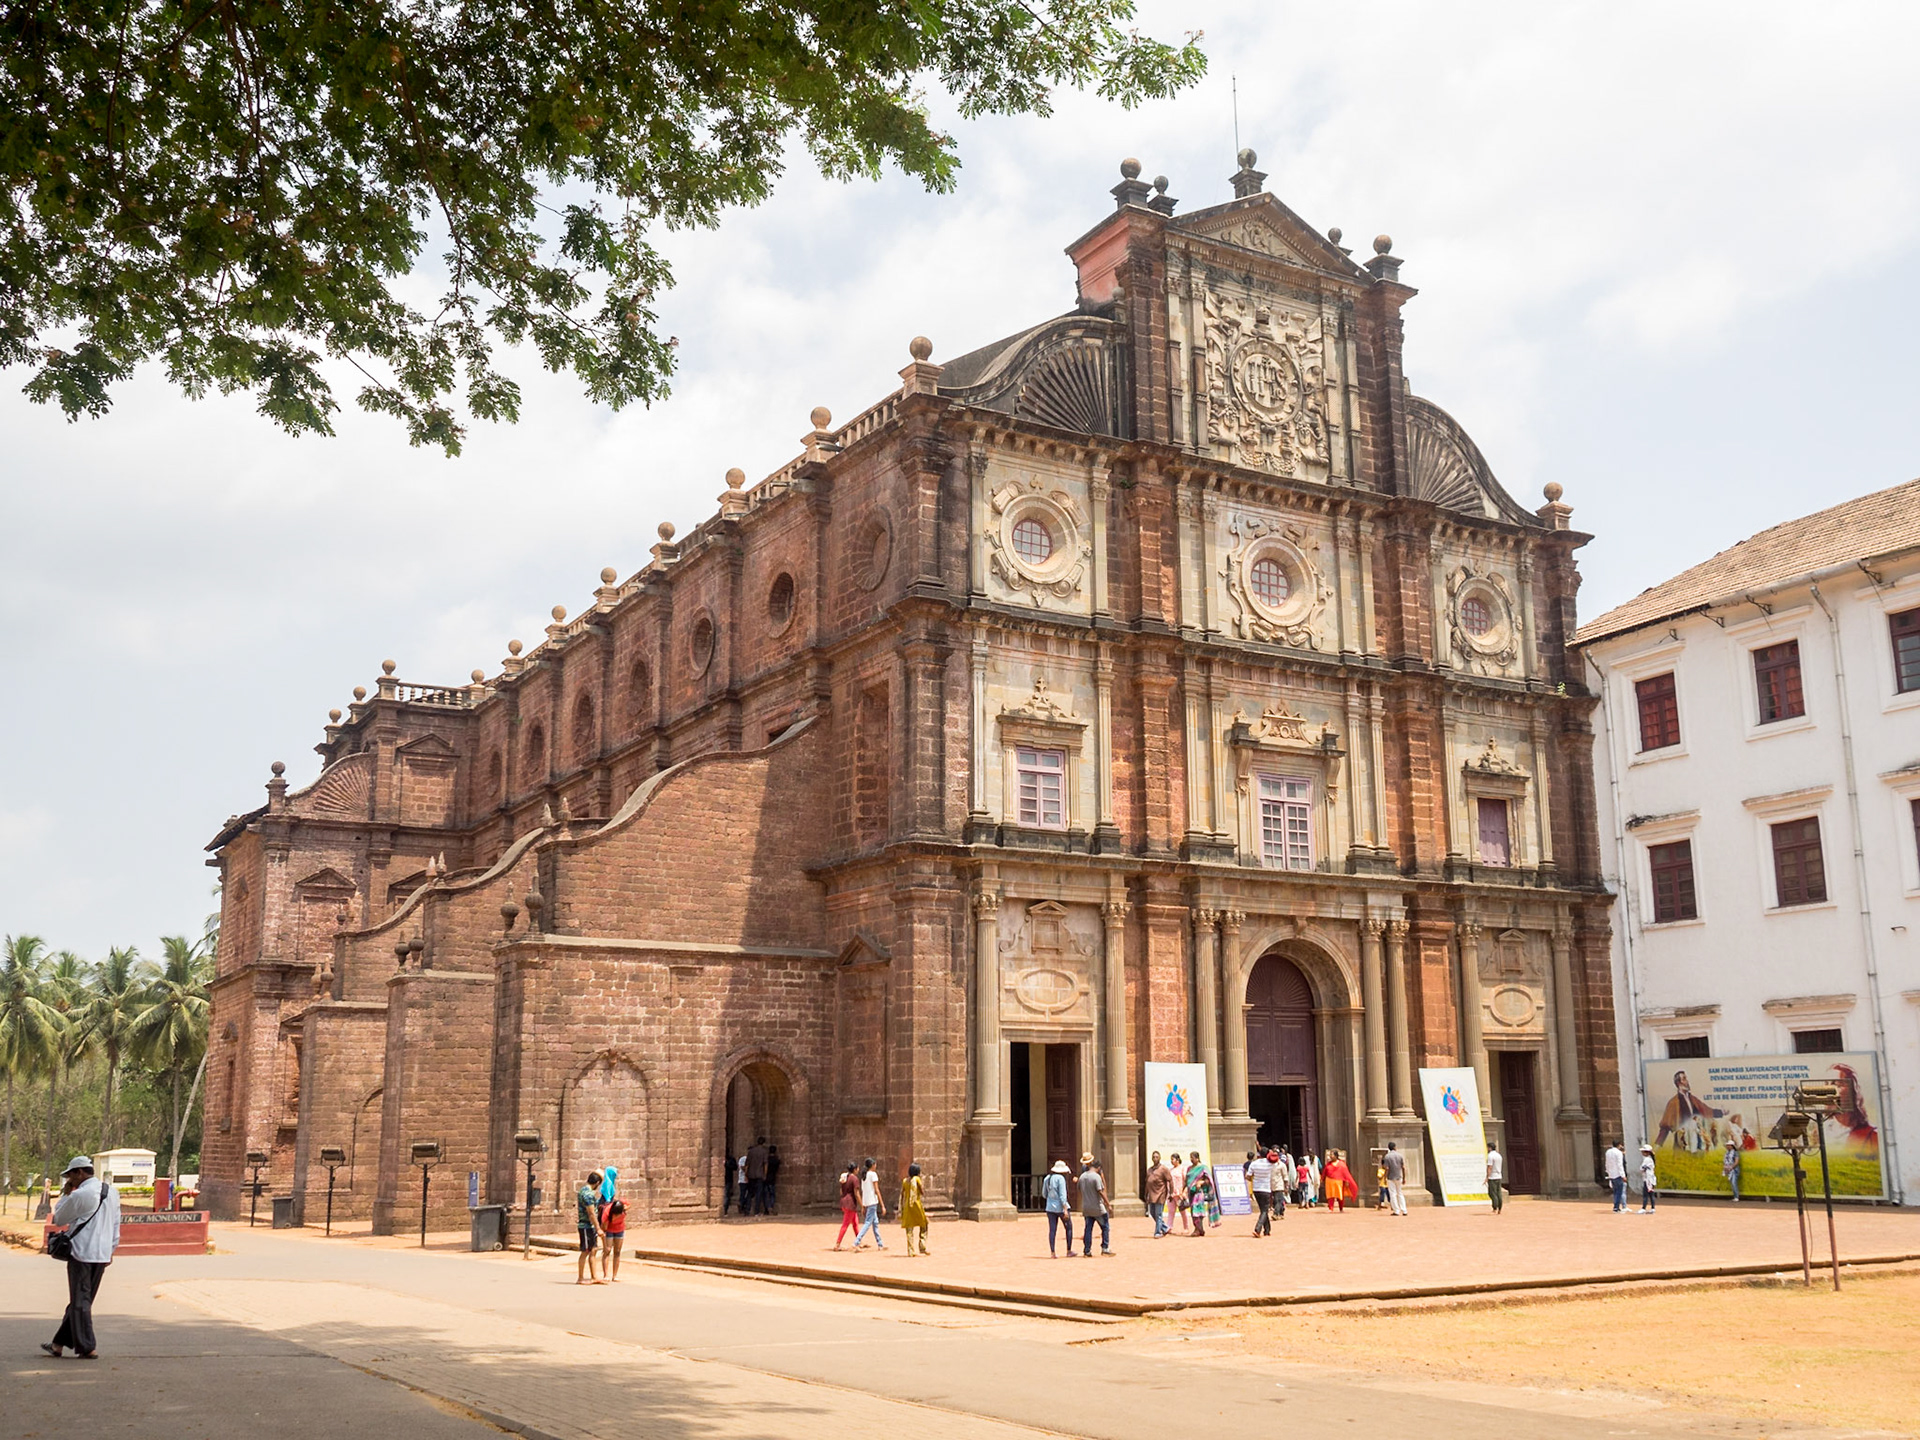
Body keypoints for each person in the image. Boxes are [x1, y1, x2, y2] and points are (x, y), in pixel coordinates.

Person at [40, 1156, 120, 1359]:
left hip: (82, 1252)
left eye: (71, 1175)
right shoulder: (112, 1192)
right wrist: (111, 1249)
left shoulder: (80, 1194)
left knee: (80, 1301)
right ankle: (58, 1344)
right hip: (102, 1253)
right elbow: (115, 1224)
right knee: (83, 1300)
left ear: (80, 1172)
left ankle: (87, 1347)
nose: (70, 1180)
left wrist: (66, 1195)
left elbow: (59, 1219)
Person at [1653, 1071, 1725, 1152]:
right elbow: (1665, 1127)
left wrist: (1721, 1112)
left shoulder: (1692, 1099)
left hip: (1696, 1139)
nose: (1687, 1081)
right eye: (1684, 1079)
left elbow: (1706, 1110)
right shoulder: (1673, 1103)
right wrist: (1657, 1147)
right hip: (1682, 1141)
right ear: (1679, 1083)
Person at [1077, 1154, 1112, 1257]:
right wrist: (1108, 1204)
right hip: (1097, 1207)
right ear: (1099, 1168)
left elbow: (1079, 1189)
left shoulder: (1082, 1177)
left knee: (1088, 1229)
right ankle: (1105, 1248)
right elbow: (1100, 1191)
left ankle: (1087, 1250)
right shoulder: (1096, 1177)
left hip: (1086, 1207)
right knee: (1105, 1227)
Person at [575, 1170, 604, 1284]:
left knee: (593, 1250)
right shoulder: (588, 1194)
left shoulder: (583, 1190)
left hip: (589, 1226)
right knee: (586, 1251)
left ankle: (594, 1276)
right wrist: (598, 1228)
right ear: (597, 1183)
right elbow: (591, 1213)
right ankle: (580, 1277)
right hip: (586, 1226)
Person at [854, 1158, 886, 1249]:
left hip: (867, 1201)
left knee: (875, 1223)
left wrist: (863, 1205)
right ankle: (856, 1241)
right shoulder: (873, 1174)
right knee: (868, 1223)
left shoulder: (864, 1176)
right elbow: (877, 1190)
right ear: (872, 1165)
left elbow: (864, 1190)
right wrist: (882, 1205)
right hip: (872, 1201)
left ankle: (880, 1244)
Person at [1043, 1159, 1073, 1257]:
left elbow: (1044, 1194)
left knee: (1052, 1230)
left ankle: (1052, 1252)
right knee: (1068, 1228)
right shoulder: (1061, 1179)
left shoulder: (1047, 1178)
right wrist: (1065, 1209)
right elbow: (1063, 1195)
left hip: (1050, 1207)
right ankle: (1069, 1250)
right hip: (1060, 1207)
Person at [900, 1162, 930, 1256]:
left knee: (909, 1229)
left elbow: (902, 1194)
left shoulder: (905, 1181)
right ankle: (922, 1245)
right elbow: (922, 1191)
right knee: (924, 1224)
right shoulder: (917, 1179)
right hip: (916, 1205)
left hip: (907, 1207)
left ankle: (911, 1250)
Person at [1185, 1152, 1216, 1237]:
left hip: (1199, 1193)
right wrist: (1184, 1190)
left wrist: (1201, 1182)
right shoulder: (1189, 1168)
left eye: (1192, 1158)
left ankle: (1197, 1230)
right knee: (1193, 1211)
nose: (1191, 1159)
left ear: (1197, 1158)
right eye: (1190, 1158)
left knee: (1197, 1211)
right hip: (1191, 1193)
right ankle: (1200, 1229)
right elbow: (1186, 1180)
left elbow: (1208, 1180)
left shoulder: (1203, 1168)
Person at [599, 1190, 627, 1281]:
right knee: (607, 1251)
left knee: (617, 1251)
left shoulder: (622, 1208)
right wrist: (604, 1243)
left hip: (620, 1229)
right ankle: (606, 1274)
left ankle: (615, 1275)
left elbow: (628, 1204)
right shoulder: (607, 1213)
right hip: (609, 1230)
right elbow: (604, 1228)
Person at [1145, 1151, 1175, 1237]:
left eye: (1156, 1157)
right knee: (1152, 1213)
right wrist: (1146, 1194)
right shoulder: (1150, 1170)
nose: (1155, 1159)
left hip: (1160, 1194)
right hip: (1151, 1195)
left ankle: (1158, 1232)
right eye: (1153, 1157)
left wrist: (1171, 1193)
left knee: (1158, 1214)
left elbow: (1170, 1181)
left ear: (1160, 1158)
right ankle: (1165, 1228)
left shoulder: (1163, 1169)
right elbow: (1147, 1182)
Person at [1246, 1148, 1274, 1237]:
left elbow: (1248, 1176)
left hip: (1256, 1189)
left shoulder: (1254, 1164)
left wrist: (1254, 1179)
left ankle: (1267, 1230)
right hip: (1266, 1189)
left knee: (1263, 1210)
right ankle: (1257, 1229)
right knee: (1265, 1210)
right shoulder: (1270, 1164)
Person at [834, 1160, 860, 1249]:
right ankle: (837, 1244)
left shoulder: (845, 1178)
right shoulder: (854, 1179)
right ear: (855, 1169)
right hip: (850, 1203)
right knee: (845, 1224)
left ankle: (858, 1241)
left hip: (844, 1202)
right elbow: (856, 1193)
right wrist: (862, 1204)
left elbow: (841, 1191)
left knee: (855, 1223)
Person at [746, 1136, 770, 1215]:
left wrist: (746, 1174)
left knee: (750, 1193)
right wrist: (765, 1174)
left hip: (751, 1174)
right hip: (759, 1174)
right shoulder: (764, 1151)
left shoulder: (751, 1151)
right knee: (758, 1193)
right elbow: (765, 1164)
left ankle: (747, 1210)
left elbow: (747, 1164)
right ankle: (756, 1211)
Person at [1383, 1141, 1407, 1217]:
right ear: (1395, 1147)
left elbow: (1387, 1168)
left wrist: (1385, 1177)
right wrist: (1404, 1177)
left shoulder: (1387, 1157)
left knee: (1392, 1194)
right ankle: (1404, 1210)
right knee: (1400, 1193)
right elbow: (1403, 1167)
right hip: (1398, 1176)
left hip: (1390, 1177)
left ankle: (1396, 1210)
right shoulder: (1400, 1156)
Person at [1604, 1140, 1628, 1213]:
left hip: (1611, 1174)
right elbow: (1620, 1165)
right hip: (1618, 1174)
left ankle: (1616, 1206)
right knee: (1619, 1192)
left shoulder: (1608, 1152)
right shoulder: (1618, 1153)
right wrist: (1623, 1175)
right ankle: (1616, 1207)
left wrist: (1608, 1173)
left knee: (1615, 1191)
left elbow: (1607, 1164)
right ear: (1619, 1145)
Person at [1486, 1143, 1505, 1213]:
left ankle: (1495, 1206)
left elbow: (1490, 1167)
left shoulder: (1490, 1156)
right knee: (1498, 1192)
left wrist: (1487, 1176)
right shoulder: (1499, 1155)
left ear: (1490, 1148)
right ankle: (1500, 1207)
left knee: (1492, 1192)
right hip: (1499, 1176)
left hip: (1492, 1176)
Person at [1638, 1144, 1658, 1212]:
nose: (1642, 1153)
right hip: (1651, 1179)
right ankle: (1653, 1208)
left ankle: (1643, 1208)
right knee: (1651, 1194)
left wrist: (1642, 1169)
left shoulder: (1647, 1159)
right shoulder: (1651, 1159)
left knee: (1645, 1194)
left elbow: (1642, 1168)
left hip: (1648, 1179)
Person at [764, 1144, 782, 1215]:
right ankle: (771, 1206)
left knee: (766, 1194)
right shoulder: (776, 1160)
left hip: (766, 1178)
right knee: (772, 1194)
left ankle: (767, 1207)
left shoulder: (767, 1159)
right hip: (772, 1178)